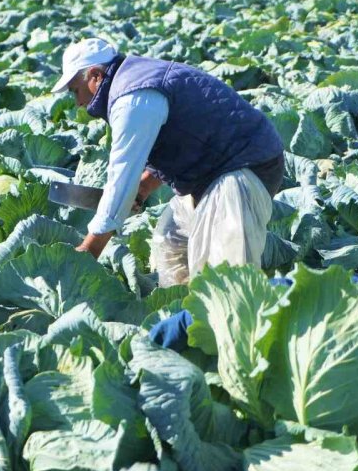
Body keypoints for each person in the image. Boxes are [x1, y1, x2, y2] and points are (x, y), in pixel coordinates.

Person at [52, 37, 285, 286]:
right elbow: (180, 138)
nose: (78, 102)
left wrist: (89, 251)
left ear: (96, 75)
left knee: (225, 278)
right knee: (171, 242)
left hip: (240, 169)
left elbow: (120, 179)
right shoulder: (134, 82)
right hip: (213, 172)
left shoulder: (132, 99)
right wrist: (142, 188)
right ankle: (181, 315)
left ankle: (225, 322)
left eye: (76, 90)